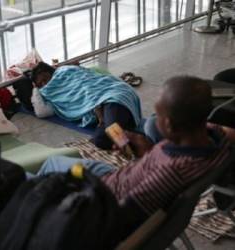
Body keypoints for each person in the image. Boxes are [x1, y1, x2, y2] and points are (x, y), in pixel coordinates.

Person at [36, 75, 235, 231]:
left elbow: (122, 215)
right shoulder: (215, 137)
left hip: (101, 194)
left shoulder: (172, 172)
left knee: (47, 169)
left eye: (158, 115)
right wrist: (147, 150)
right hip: (117, 177)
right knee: (54, 163)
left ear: (168, 125)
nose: (154, 118)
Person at [29, 62, 143, 150]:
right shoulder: (49, 94)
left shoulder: (67, 70)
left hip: (112, 94)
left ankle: (137, 145)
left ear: (52, 72)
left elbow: (89, 80)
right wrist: (35, 89)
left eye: (45, 79)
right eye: (41, 85)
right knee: (101, 139)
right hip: (106, 105)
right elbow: (41, 111)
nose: (45, 85)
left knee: (111, 134)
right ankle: (130, 136)